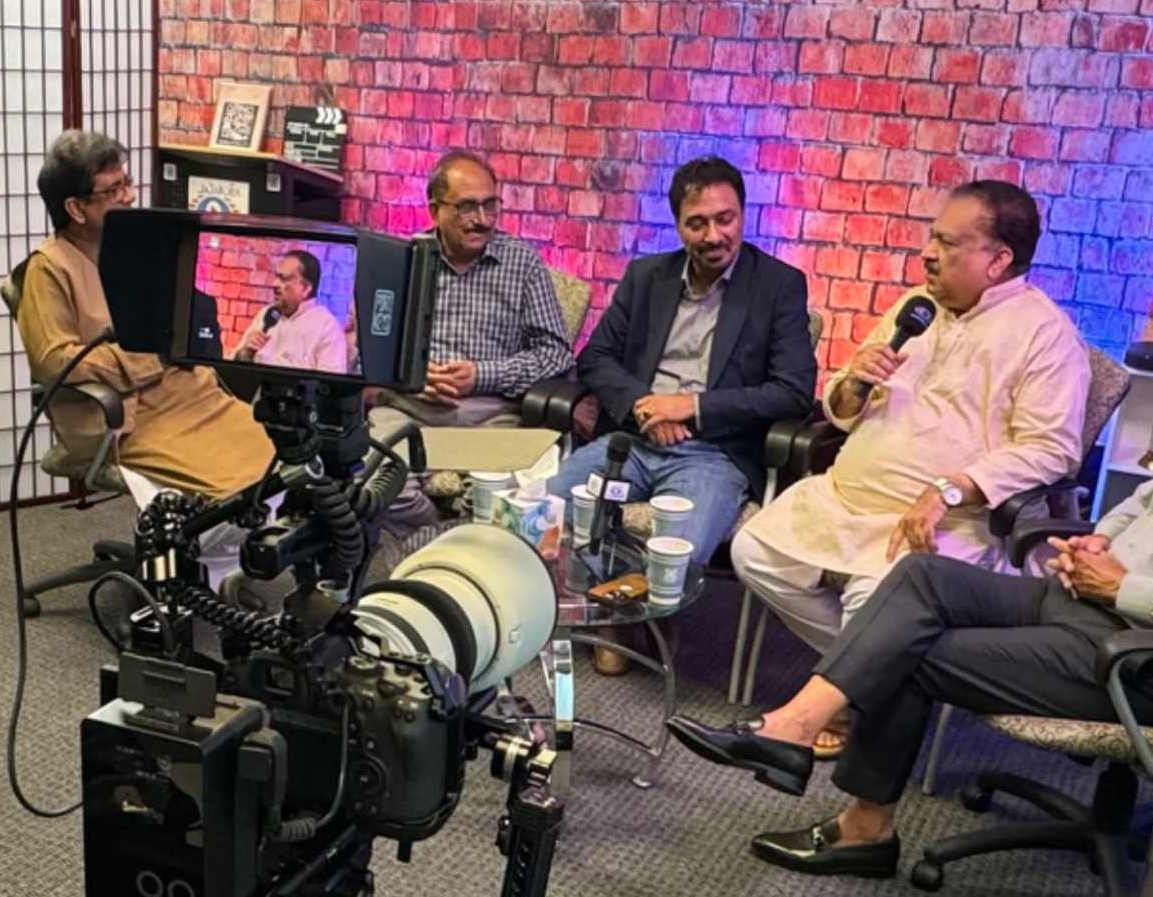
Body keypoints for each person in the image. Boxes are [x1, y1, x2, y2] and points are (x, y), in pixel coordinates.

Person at [671, 290, 1153, 877]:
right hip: (1087, 600)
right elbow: (1151, 501)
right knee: (922, 581)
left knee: (909, 651)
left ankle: (862, 828)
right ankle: (795, 729)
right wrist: (1098, 542)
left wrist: (1122, 589)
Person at [729, 179, 1096, 657]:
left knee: (873, 600)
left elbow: (1052, 449)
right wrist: (853, 385)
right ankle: (870, 674)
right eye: (932, 237)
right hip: (843, 500)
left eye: (947, 243)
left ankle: (851, 692)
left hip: (941, 525)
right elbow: (841, 412)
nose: (927, 253)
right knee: (753, 552)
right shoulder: (915, 307)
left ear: (998, 260)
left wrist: (948, 488)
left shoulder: (1045, 336)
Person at [544, 155, 815, 578]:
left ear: (743, 214)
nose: (714, 236)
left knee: (672, 562)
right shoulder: (647, 276)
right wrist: (644, 405)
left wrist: (690, 405)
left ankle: (633, 636)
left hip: (715, 455)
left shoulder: (779, 286)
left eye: (725, 219)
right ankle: (602, 630)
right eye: (697, 223)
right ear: (677, 225)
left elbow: (793, 390)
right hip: (634, 442)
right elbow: (595, 357)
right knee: (547, 519)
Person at [13, 129, 274, 499]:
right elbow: (54, 362)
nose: (130, 196)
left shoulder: (134, 247)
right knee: (239, 490)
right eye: (114, 190)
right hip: (130, 416)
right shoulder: (49, 269)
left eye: (128, 183)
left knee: (281, 460)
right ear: (75, 208)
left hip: (190, 394)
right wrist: (144, 358)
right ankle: (207, 555)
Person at [386, 151, 571, 429]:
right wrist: (410, 376)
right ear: (436, 211)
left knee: (503, 472)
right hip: (410, 409)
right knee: (379, 469)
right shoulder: (404, 260)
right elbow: (367, 352)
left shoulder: (522, 262)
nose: (483, 219)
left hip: (492, 415)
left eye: (490, 205)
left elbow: (556, 355)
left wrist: (483, 375)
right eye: (467, 207)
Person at [239, 249, 351, 373]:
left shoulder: (326, 327)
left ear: (306, 288)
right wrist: (244, 353)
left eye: (284, 279)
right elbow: (233, 370)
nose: (275, 284)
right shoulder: (267, 313)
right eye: (276, 276)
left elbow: (331, 385)